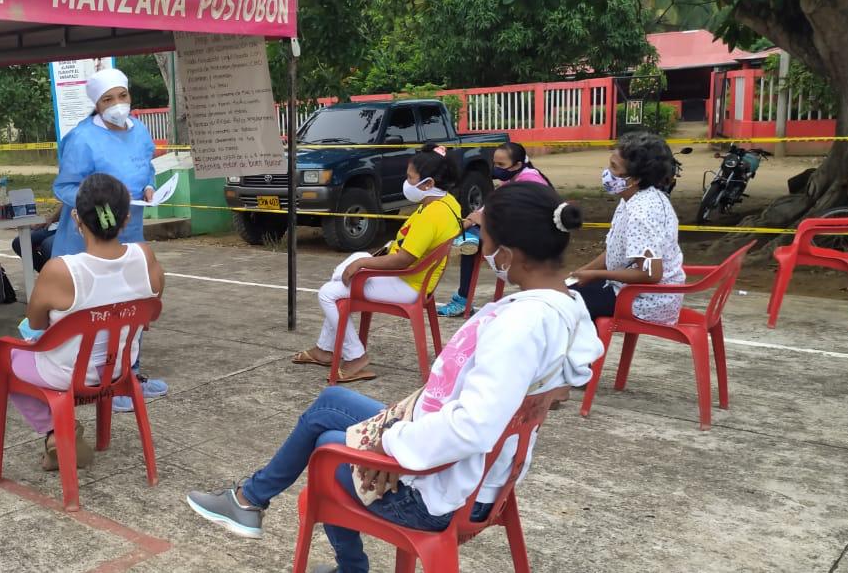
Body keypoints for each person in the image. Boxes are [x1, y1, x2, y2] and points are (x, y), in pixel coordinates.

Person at [187, 182, 602, 573]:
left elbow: (472, 427)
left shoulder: (520, 325)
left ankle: (338, 558)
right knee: (330, 404)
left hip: (442, 491)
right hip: (462, 462)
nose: (478, 248)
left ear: (510, 253)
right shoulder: (564, 304)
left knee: (326, 450)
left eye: (484, 237)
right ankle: (248, 500)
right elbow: (574, 373)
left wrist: (392, 450)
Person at [0, 173, 165, 471]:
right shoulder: (145, 257)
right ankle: (59, 434)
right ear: (127, 218)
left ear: (77, 219)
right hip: (118, 369)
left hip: (64, 374)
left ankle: (55, 430)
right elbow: (153, 304)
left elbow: (36, 323)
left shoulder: (61, 270)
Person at [291, 144, 462, 383]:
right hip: (415, 279)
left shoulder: (432, 216)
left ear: (428, 183)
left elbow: (405, 259)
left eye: (410, 178)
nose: (406, 182)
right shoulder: (448, 203)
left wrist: (363, 264)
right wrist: (362, 261)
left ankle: (355, 357)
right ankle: (325, 349)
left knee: (328, 294)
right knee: (341, 276)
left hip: (407, 283)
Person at [50, 67, 166, 410]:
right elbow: (66, 187)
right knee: (95, 308)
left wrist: (149, 187)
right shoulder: (82, 139)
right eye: (108, 99)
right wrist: (104, 207)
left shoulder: (139, 130)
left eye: (122, 96)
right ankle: (97, 383)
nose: (118, 104)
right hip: (92, 234)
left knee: (131, 301)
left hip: (130, 230)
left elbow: (146, 168)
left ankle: (129, 375)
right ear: (97, 104)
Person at [569, 132, 685, 325]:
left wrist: (596, 275)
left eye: (614, 167)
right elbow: (616, 252)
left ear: (635, 179)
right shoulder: (636, 198)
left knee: (563, 307)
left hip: (644, 302)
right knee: (564, 294)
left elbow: (650, 273)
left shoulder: (641, 213)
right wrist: (580, 273)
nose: (607, 172)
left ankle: (580, 353)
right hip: (632, 290)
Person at [439, 142, 554, 318]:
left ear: (517, 165)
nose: (496, 169)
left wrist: (483, 222)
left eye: (501, 165)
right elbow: (493, 205)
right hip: (514, 231)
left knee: (473, 241)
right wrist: (471, 219)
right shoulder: (513, 178)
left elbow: (519, 220)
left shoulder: (530, 182)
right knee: (471, 240)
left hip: (534, 237)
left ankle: (463, 298)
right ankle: (463, 295)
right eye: (495, 163)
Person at [11, 207, 61, 273]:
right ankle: (46, 275)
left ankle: (58, 277)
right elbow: (65, 206)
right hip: (58, 225)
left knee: (47, 246)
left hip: (72, 228)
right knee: (19, 243)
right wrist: (51, 219)